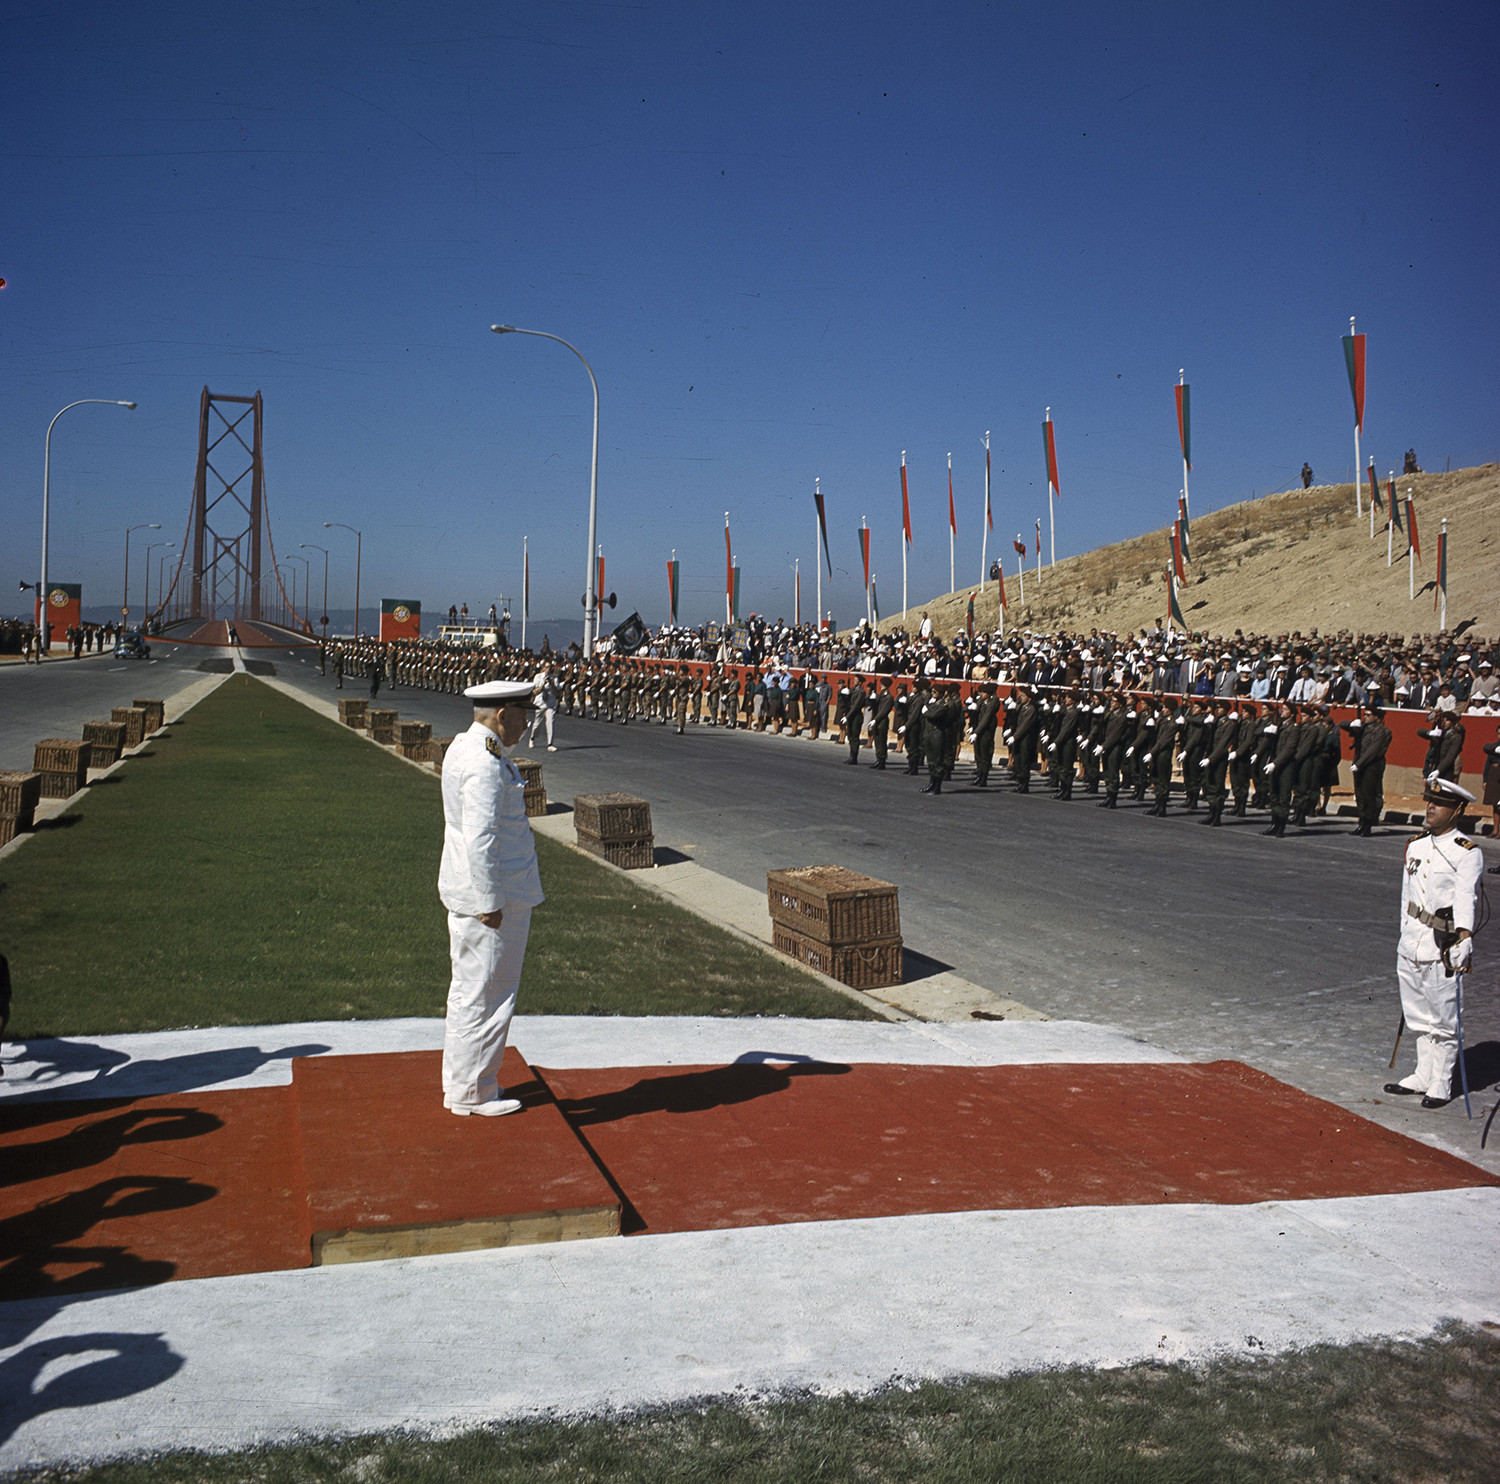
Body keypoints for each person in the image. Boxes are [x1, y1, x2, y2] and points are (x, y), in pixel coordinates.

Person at [437, 679, 544, 1116]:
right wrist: (489, 902)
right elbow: (480, 837)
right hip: (494, 898)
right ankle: (475, 1092)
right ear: (503, 715)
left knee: (469, 993)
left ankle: (462, 1086)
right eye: (524, 714)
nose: (526, 723)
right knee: (489, 996)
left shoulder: (466, 748)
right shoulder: (483, 763)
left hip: (479, 892)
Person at [1384, 776, 1482, 1108]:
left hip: (1442, 944)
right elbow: (1405, 898)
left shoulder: (1467, 852)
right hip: (1411, 941)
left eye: (1439, 803)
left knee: (1444, 1016)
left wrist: (1464, 937)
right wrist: (1403, 936)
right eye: (1429, 800)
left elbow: (1466, 898)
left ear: (1457, 811)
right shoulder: (1416, 845)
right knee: (1417, 1013)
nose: (1430, 807)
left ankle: (1442, 1081)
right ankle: (1423, 1075)